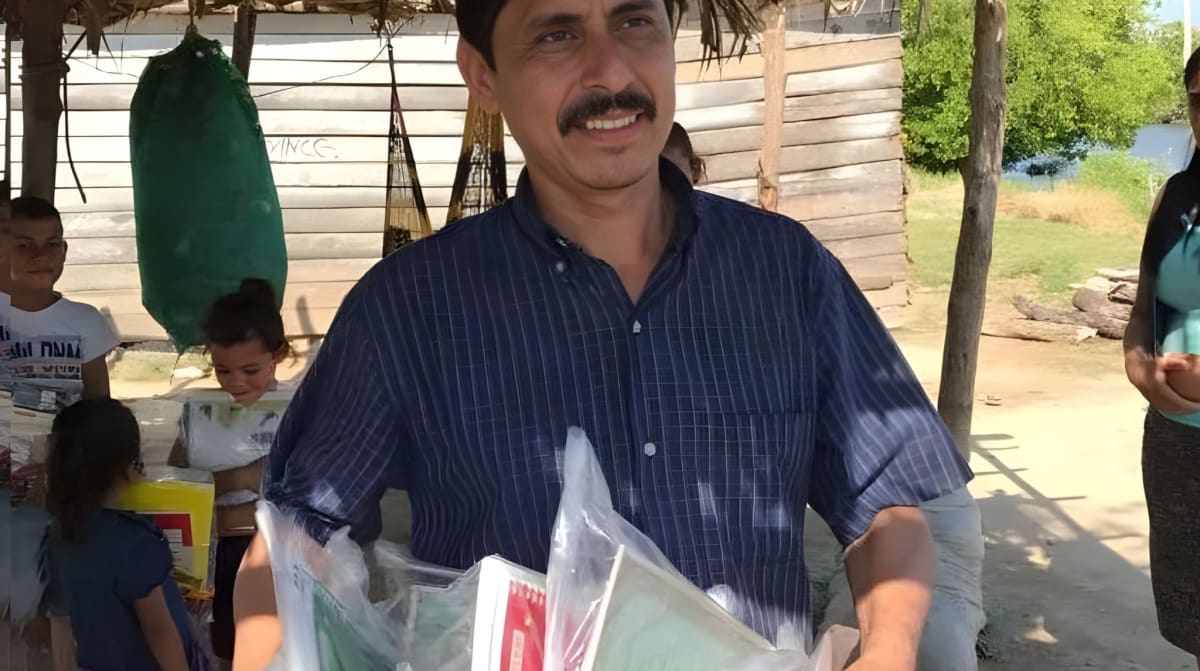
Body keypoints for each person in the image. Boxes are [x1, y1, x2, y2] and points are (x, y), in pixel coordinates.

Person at [233, 2, 972, 670]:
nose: (611, 72)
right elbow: (293, 536)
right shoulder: (408, 309)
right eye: (556, 34)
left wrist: (888, 650)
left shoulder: (786, 273)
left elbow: (886, 506)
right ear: (483, 74)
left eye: (634, 21)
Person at [1124, 45, 1200, 668]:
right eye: (1199, 100)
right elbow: (1145, 308)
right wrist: (1137, 363)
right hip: (1177, 441)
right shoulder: (1176, 196)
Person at [169, 278, 288, 666]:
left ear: (278, 355)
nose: (235, 382)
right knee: (224, 641)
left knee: (272, 641)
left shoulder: (297, 411)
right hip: (216, 552)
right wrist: (242, 479)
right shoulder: (199, 415)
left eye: (250, 370)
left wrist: (219, 491)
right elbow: (177, 488)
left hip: (275, 551)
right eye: (222, 370)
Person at [46, 398, 209, 671]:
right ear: (128, 467)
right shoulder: (135, 542)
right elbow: (158, 629)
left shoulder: (59, 533)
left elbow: (60, 619)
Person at [6, 196, 118, 400]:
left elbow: (100, 406)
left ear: (64, 251)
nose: (41, 255)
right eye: (24, 246)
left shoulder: (86, 321)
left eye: (51, 244)